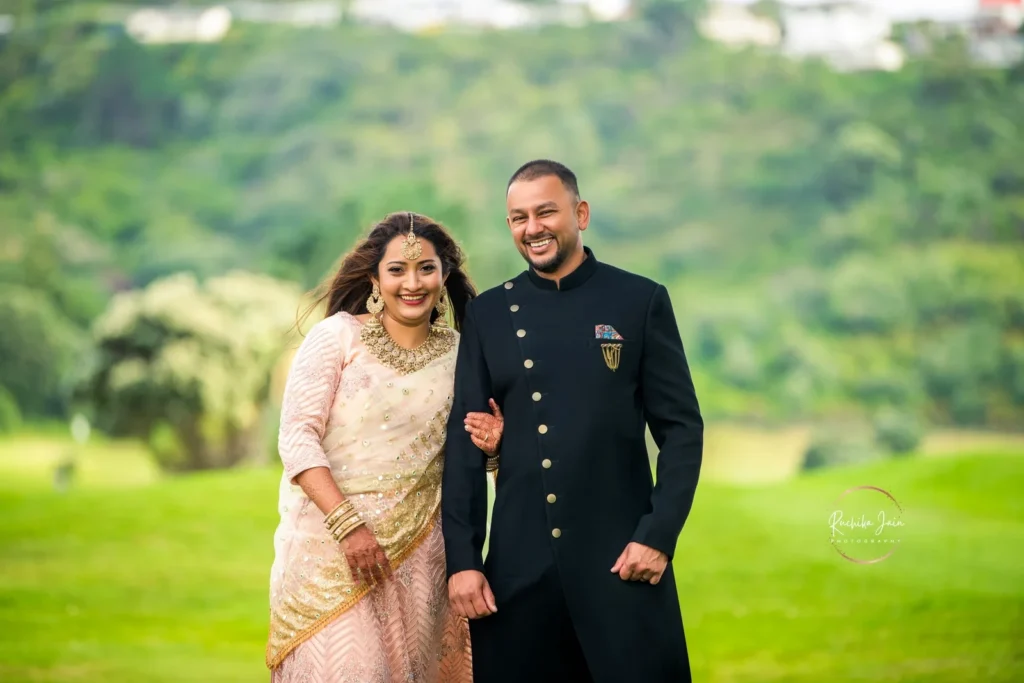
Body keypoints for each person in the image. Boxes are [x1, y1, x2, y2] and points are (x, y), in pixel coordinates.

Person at [441, 160, 704, 683]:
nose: (532, 228)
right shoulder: (489, 314)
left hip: (622, 561)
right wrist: (464, 560)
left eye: (546, 212)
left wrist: (659, 535)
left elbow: (681, 431)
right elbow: (464, 445)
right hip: (518, 572)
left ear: (580, 213)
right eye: (518, 217)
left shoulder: (639, 301)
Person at [267, 212, 503, 683]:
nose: (411, 283)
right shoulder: (336, 338)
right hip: (330, 558)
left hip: (422, 564)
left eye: (426, 269)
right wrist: (348, 526)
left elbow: (471, 457)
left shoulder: (464, 353)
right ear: (375, 278)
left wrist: (494, 447)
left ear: (445, 275)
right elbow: (296, 438)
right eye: (397, 270)